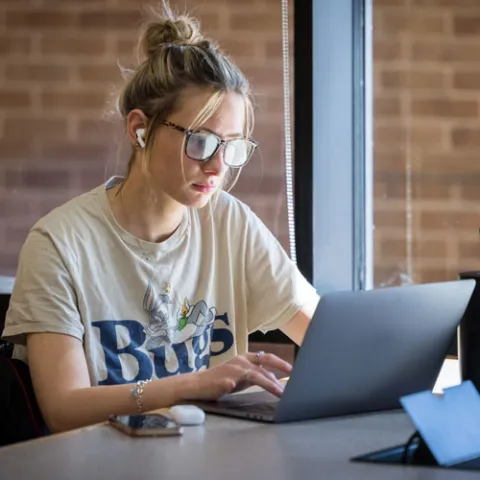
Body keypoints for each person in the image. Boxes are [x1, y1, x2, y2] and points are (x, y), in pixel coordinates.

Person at [2, 2, 319, 434]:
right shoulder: (59, 243)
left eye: (234, 146)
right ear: (139, 129)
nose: (218, 168)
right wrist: (191, 385)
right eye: (202, 142)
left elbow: (323, 336)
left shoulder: (230, 222)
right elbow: (63, 408)